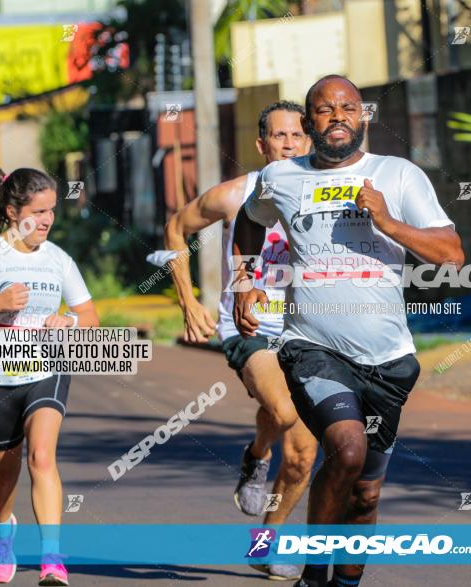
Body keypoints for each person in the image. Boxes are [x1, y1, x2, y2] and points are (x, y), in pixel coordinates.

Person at [233, 75, 465, 587]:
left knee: (367, 492)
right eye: (323, 109)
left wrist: (387, 221)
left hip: (388, 360)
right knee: (348, 449)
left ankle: (344, 582)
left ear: (364, 116)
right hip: (310, 347)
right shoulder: (281, 177)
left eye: (347, 107)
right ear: (309, 122)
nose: (336, 115)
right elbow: (248, 222)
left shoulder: (397, 174)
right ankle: (315, 577)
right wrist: (244, 280)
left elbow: (451, 254)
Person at [164, 101, 318, 581]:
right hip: (248, 326)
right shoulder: (237, 193)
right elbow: (175, 227)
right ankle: (258, 455)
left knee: (303, 455)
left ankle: (264, 533)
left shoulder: (326, 194)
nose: (288, 144)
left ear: (308, 142)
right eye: (279, 136)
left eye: (296, 136)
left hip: (309, 329)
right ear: (261, 144)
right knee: (286, 413)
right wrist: (188, 302)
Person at [0, 167, 99, 586]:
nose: (47, 220)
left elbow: (89, 317)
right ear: (12, 211)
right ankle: (1, 532)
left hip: (47, 367)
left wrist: (67, 323)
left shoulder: (58, 259)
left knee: (42, 456)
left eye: (51, 211)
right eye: (38, 211)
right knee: (5, 470)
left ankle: (51, 560)